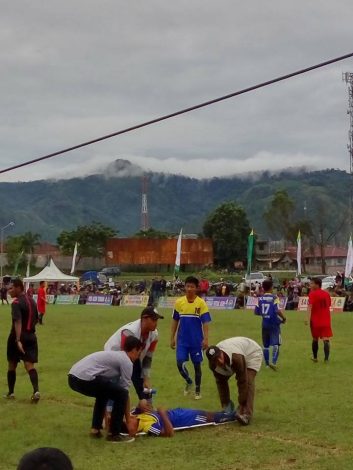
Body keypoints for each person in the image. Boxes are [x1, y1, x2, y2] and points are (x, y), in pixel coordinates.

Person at [68, 335, 143, 443]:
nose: (138, 355)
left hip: (72, 378)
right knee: (121, 394)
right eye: (139, 352)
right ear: (134, 349)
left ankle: (95, 430)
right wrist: (128, 420)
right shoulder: (126, 361)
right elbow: (124, 393)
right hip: (84, 378)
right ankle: (114, 434)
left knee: (103, 392)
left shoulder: (117, 356)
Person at [104, 306, 163, 409]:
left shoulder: (155, 335)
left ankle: (147, 409)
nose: (156, 323)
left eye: (157, 320)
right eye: (153, 320)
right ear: (144, 319)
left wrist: (146, 378)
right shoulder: (130, 332)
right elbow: (125, 359)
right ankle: (109, 414)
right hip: (115, 354)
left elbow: (147, 358)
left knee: (143, 383)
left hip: (133, 358)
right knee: (115, 384)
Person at [206, 337, 263, 425]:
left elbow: (242, 380)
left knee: (248, 381)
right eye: (216, 360)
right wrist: (226, 406)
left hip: (252, 352)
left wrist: (241, 404)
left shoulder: (236, 357)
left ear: (221, 352)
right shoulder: (213, 366)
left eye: (219, 357)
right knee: (221, 380)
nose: (220, 361)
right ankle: (229, 409)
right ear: (212, 362)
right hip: (236, 354)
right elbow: (221, 383)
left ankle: (246, 414)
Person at [171, 276, 211, 399]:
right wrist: (172, 337)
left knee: (197, 366)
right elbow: (175, 321)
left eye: (192, 286)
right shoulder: (179, 302)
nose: (189, 289)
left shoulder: (201, 303)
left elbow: (205, 322)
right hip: (182, 341)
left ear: (196, 288)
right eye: (187, 286)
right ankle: (189, 381)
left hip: (196, 341)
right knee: (179, 363)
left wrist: (206, 339)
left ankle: (198, 390)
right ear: (185, 287)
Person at [4, 279, 40, 403]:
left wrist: (18, 339)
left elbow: (17, 321)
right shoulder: (32, 300)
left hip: (17, 337)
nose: (9, 291)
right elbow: (37, 318)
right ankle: (36, 391)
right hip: (31, 336)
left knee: (12, 364)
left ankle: (11, 392)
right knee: (29, 365)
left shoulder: (16, 303)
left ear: (19, 288)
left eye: (11, 288)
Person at [126, 405, 237, 437]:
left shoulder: (136, 415)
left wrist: (141, 404)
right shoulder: (148, 427)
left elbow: (140, 404)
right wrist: (163, 413)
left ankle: (224, 413)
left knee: (202, 412)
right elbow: (169, 433)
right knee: (207, 417)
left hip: (177, 412)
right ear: (133, 431)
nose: (129, 418)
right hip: (182, 420)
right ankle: (232, 416)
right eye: (128, 422)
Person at [254, 279, 286, 370]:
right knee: (276, 343)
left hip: (265, 323)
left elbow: (256, 312)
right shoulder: (274, 298)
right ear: (271, 288)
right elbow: (277, 310)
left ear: (263, 288)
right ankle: (274, 362)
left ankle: (267, 365)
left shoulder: (260, 298)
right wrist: (283, 318)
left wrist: (265, 314)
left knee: (266, 345)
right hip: (274, 323)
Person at [305, 277, 333, 362]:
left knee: (315, 338)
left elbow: (310, 306)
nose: (310, 285)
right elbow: (328, 305)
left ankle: (315, 357)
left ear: (317, 285)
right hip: (326, 320)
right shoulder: (326, 294)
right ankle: (326, 359)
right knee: (325, 339)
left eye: (312, 283)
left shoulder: (312, 294)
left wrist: (307, 318)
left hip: (315, 320)